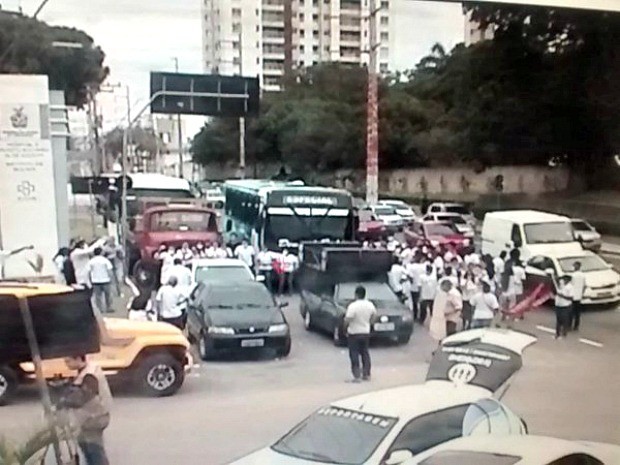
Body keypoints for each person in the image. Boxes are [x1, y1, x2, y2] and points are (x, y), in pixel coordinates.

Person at [60, 355, 112, 465]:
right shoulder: (89, 367)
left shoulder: (89, 375)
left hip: (94, 418)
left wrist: (63, 401)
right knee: (89, 450)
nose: (66, 364)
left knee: (94, 452)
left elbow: (81, 398)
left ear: (78, 358)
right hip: (93, 417)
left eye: (68, 361)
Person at [344, 286, 377, 383]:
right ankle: (366, 374)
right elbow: (374, 315)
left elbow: (347, 319)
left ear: (356, 294)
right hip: (365, 332)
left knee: (354, 353)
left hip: (354, 332)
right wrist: (369, 323)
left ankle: (357, 376)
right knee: (365, 353)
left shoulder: (353, 306)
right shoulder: (370, 305)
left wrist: (345, 329)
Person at [87, 248, 114, 314]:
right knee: (108, 295)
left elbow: (89, 271)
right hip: (105, 280)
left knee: (98, 296)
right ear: (101, 252)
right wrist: (111, 278)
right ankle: (108, 307)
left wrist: (90, 280)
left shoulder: (91, 261)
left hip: (95, 280)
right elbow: (109, 270)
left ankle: (99, 309)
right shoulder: (105, 260)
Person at [553, 275, 574, 339]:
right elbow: (555, 281)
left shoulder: (570, 287)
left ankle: (564, 333)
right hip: (558, 305)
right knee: (558, 320)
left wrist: (562, 296)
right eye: (563, 279)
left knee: (564, 320)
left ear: (568, 280)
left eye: (565, 279)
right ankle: (557, 334)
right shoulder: (560, 284)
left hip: (565, 306)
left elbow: (571, 298)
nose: (563, 280)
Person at [570, 261, 585, 331]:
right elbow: (584, 286)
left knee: (570, 312)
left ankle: (569, 325)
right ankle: (576, 326)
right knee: (577, 313)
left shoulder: (573, 275)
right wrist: (582, 293)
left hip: (572, 296)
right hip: (579, 296)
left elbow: (571, 285)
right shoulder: (583, 275)